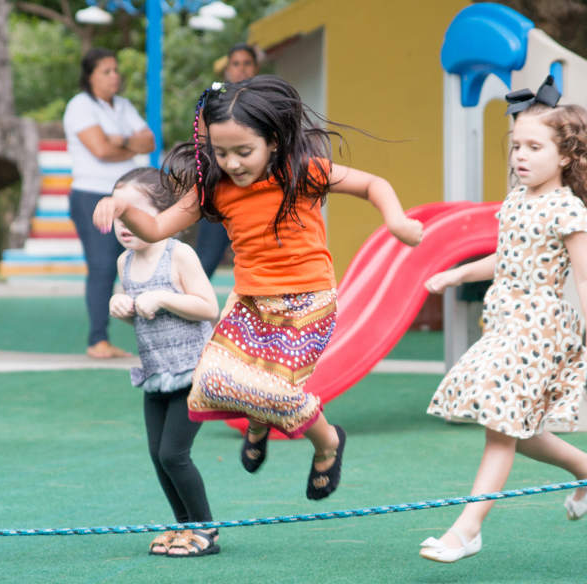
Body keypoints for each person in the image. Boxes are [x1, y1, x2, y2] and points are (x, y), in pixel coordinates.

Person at [93, 76, 423, 501]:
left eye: (243, 151)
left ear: (273, 141)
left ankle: (328, 443)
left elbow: (372, 184)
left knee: (278, 391)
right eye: (220, 151)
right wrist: (126, 209)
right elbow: (156, 226)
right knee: (209, 381)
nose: (231, 163)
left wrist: (395, 220)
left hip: (308, 304)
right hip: (250, 303)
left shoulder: (301, 171)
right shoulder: (216, 187)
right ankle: (259, 416)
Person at [419, 79, 587, 564]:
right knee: (513, 426)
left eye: (534, 147)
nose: (521, 157)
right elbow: (506, 258)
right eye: (516, 147)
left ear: (567, 156)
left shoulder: (566, 207)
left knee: (501, 429)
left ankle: (467, 528)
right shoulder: (515, 201)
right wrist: (459, 272)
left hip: (540, 327)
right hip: (505, 322)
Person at [107, 168, 220, 557]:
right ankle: (183, 528)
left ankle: (206, 530)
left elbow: (209, 307)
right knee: (158, 456)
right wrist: (121, 308)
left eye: (134, 213)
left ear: (162, 214)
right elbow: (140, 313)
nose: (126, 224)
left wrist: (165, 297)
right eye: (120, 215)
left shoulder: (178, 253)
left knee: (174, 454)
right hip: (155, 372)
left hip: (192, 371)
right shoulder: (126, 261)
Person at [64, 48, 156, 359]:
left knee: (137, 265)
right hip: (91, 196)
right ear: (90, 76)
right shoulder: (80, 106)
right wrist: (125, 143)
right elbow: (100, 150)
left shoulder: (123, 106)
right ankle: (97, 341)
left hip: (126, 198)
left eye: (115, 70)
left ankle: (157, 339)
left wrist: (119, 140)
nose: (114, 76)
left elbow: (150, 141)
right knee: (103, 268)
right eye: (106, 71)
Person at [195, 44, 267, 279]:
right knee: (205, 260)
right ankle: (187, 309)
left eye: (247, 63)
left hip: (260, 191)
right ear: (227, 69)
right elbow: (204, 145)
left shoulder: (265, 101)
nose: (241, 69)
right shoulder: (214, 101)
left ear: (256, 67)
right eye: (235, 63)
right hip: (222, 186)